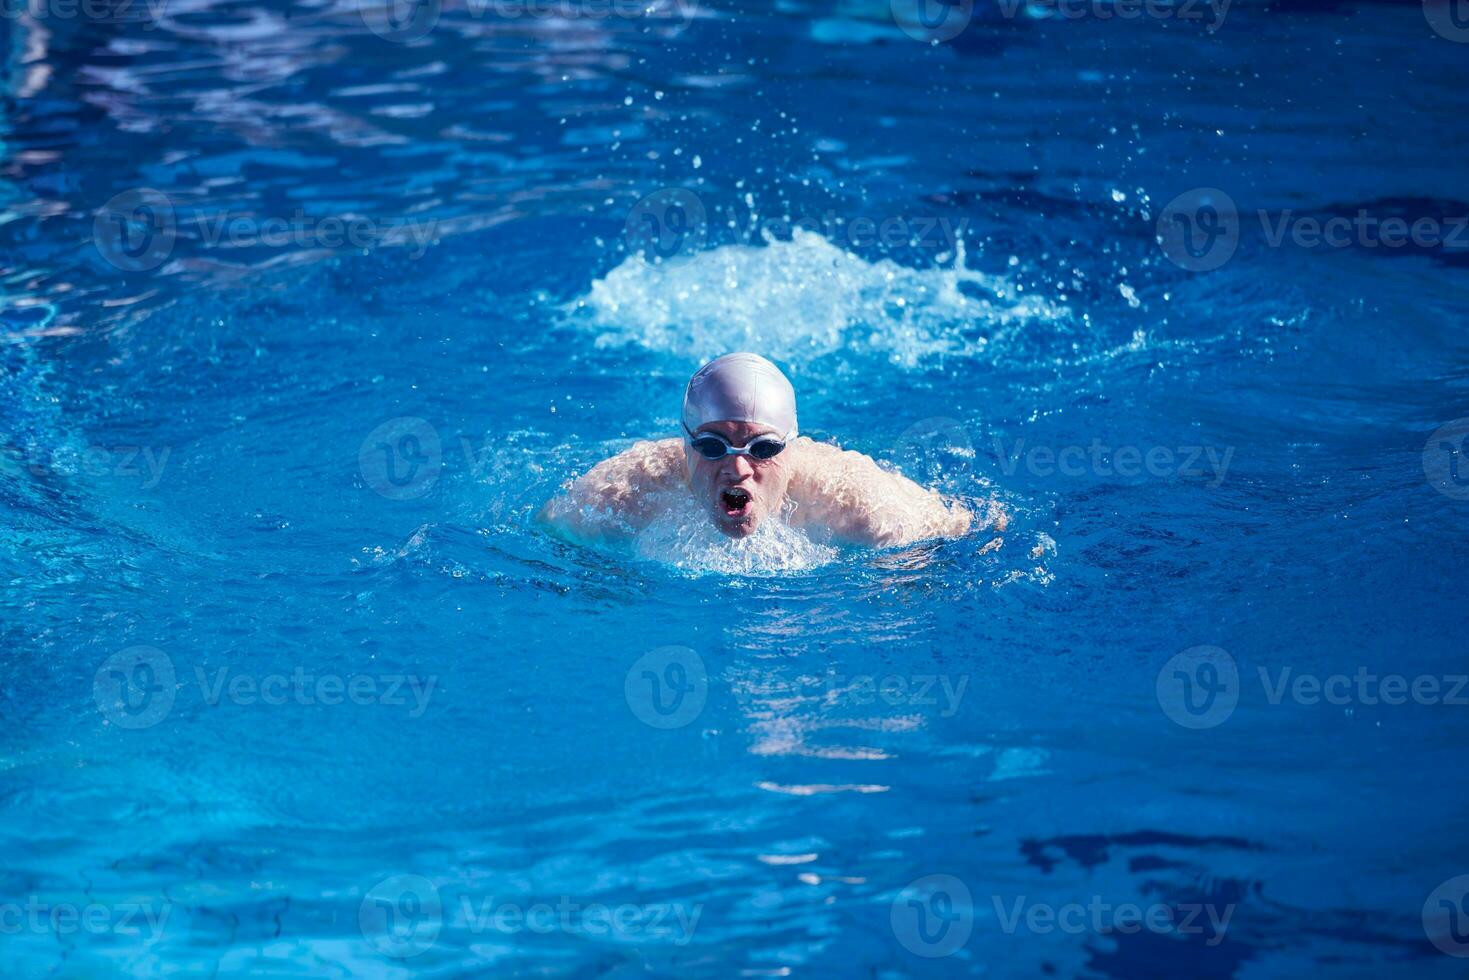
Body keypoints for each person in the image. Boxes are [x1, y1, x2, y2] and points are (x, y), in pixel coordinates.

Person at [539, 353, 996, 548]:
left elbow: (971, 527)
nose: (737, 467)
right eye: (712, 445)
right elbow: (548, 533)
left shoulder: (860, 507)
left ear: (790, 448)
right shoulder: (620, 498)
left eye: (763, 447)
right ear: (685, 445)